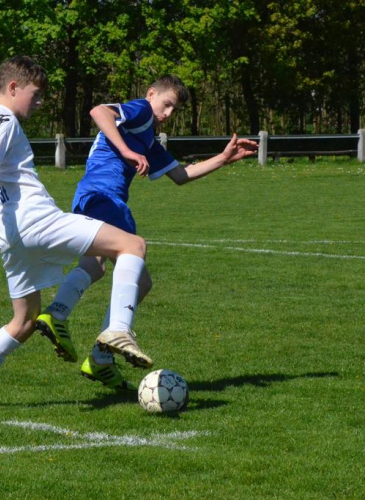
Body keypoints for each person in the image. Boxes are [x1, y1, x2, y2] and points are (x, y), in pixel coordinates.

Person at [0, 56, 149, 409]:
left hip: (10, 234)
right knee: (132, 245)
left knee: (24, 321)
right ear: (13, 87)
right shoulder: (4, 120)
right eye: (35, 95)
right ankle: (118, 329)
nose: (38, 103)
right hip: (35, 221)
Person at [36, 75, 258, 391]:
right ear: (151, 94)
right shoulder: (140, 111)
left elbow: (181, 175)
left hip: (94, 197)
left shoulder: (149, 141)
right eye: (166, 104)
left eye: (174, 111)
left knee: (98, 266)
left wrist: (223, 158)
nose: (167, 114)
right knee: (137, 274)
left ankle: (63, 321)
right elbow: (99, 112)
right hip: (103, 196)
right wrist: (126, 151)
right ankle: (100, 346)